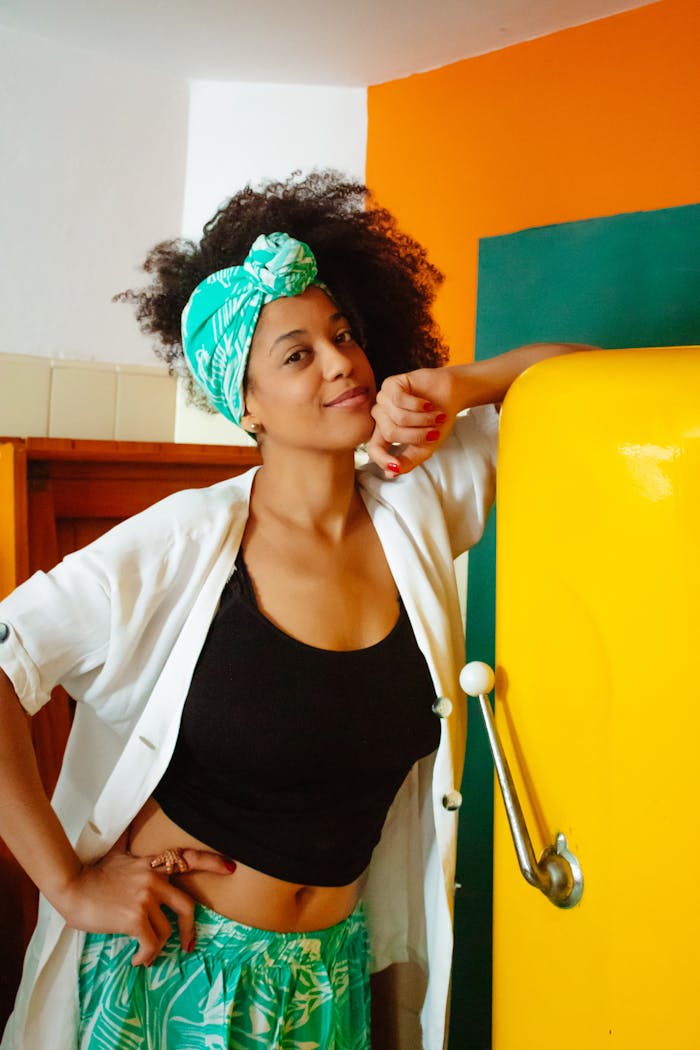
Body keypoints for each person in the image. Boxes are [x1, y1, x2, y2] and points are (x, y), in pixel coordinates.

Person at [0, 171, 590, 1050]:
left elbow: (580, 383)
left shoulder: (418, 504)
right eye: (296, 353)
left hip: (331, 976)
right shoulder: (184, 541)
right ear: (246, 406)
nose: (343, 362)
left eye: (343, 335)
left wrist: (456, 384)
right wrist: (69, 885)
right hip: (181, 968)